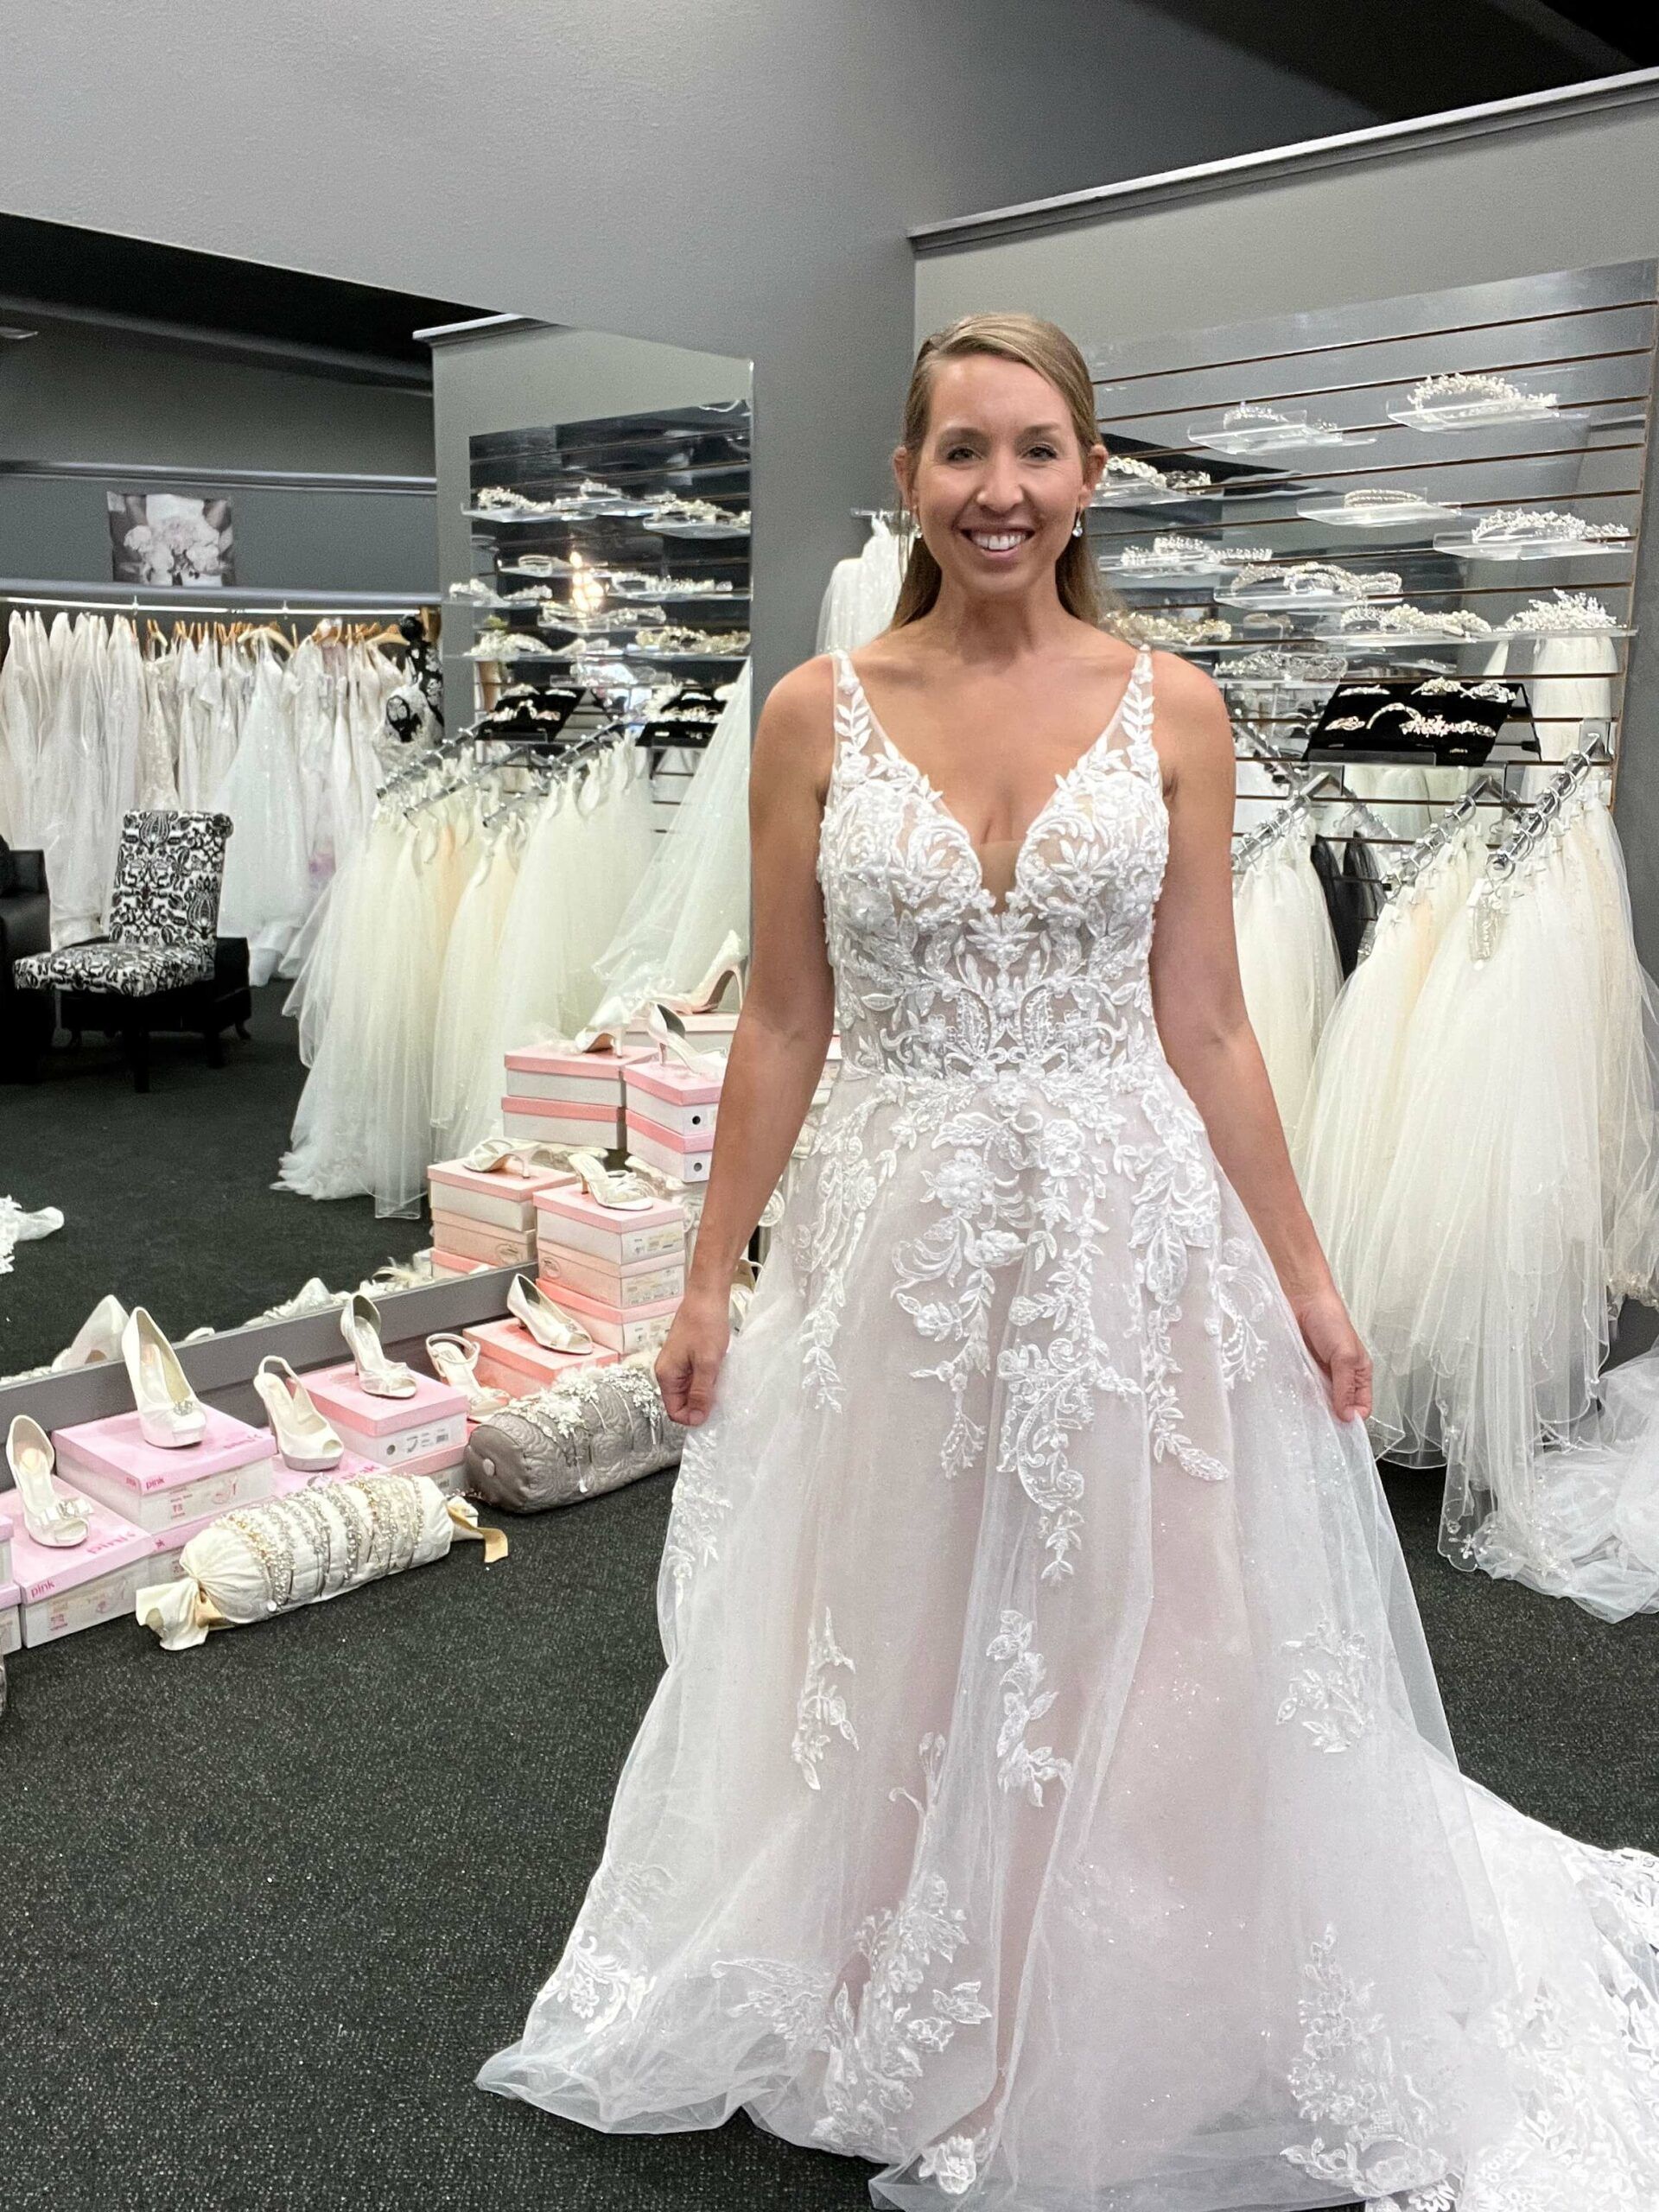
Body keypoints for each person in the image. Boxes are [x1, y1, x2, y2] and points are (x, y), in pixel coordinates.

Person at [478, 315, 1659, 2211]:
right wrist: (707, 1278)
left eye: (1035, 451)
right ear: (909, 474)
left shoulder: (1174, 703)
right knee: (898, 1595)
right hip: (895, 1225)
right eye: (962, 452)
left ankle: (1115, 1957)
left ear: (1091, 473)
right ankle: (902, 1945)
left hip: (1126, 1221)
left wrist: (1310, 1273)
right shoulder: (814, 710)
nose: (1000, 490)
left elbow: (1209, 1020)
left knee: (1134, 1599)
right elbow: (783, 1019)